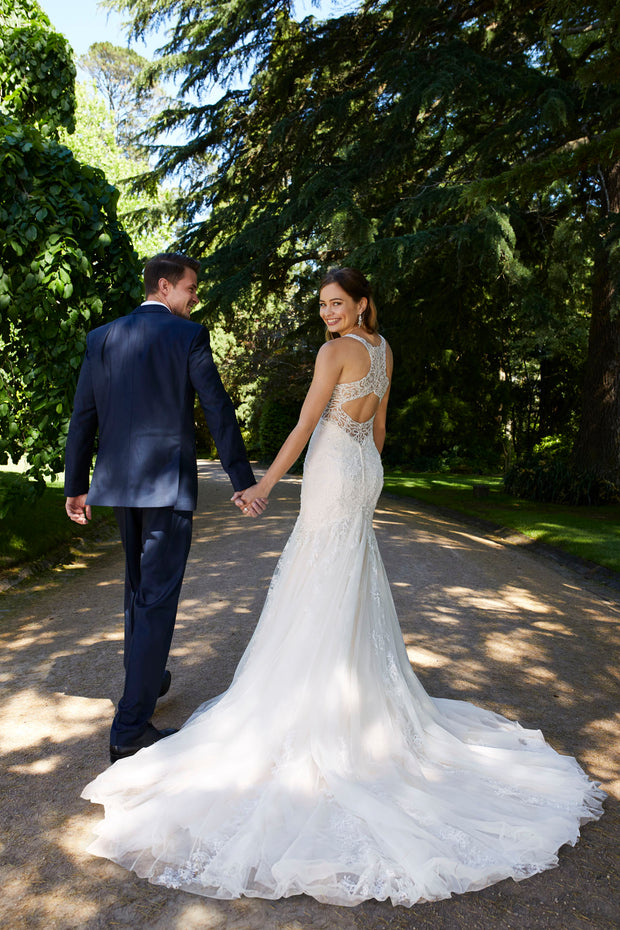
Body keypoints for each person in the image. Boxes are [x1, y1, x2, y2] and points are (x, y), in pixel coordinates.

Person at [81, 267, 604, 908]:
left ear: (362, 303)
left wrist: (263, 485)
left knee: (311, 575)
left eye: (337, 303)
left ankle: (299, 704)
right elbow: (378, 425)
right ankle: (344, 695)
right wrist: (366, 472)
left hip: (332, 463)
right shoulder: (384, 350)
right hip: (362, 467)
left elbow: (304, 426)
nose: (327, 313)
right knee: (346, 573)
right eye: (323, 305)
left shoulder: (334, 351)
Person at [64, 252, 266, 765]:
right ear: (164, 286)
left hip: (118, 487)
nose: (195, 296)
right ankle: (130, 728)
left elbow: (83, 417)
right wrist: (242, 480)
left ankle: (148, 681)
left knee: (137, 591)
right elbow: (217, 409)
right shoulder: (188, 336)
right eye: (191, 287)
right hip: (166, 487)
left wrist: (76, 486)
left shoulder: (101, 337)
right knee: (155, 599)